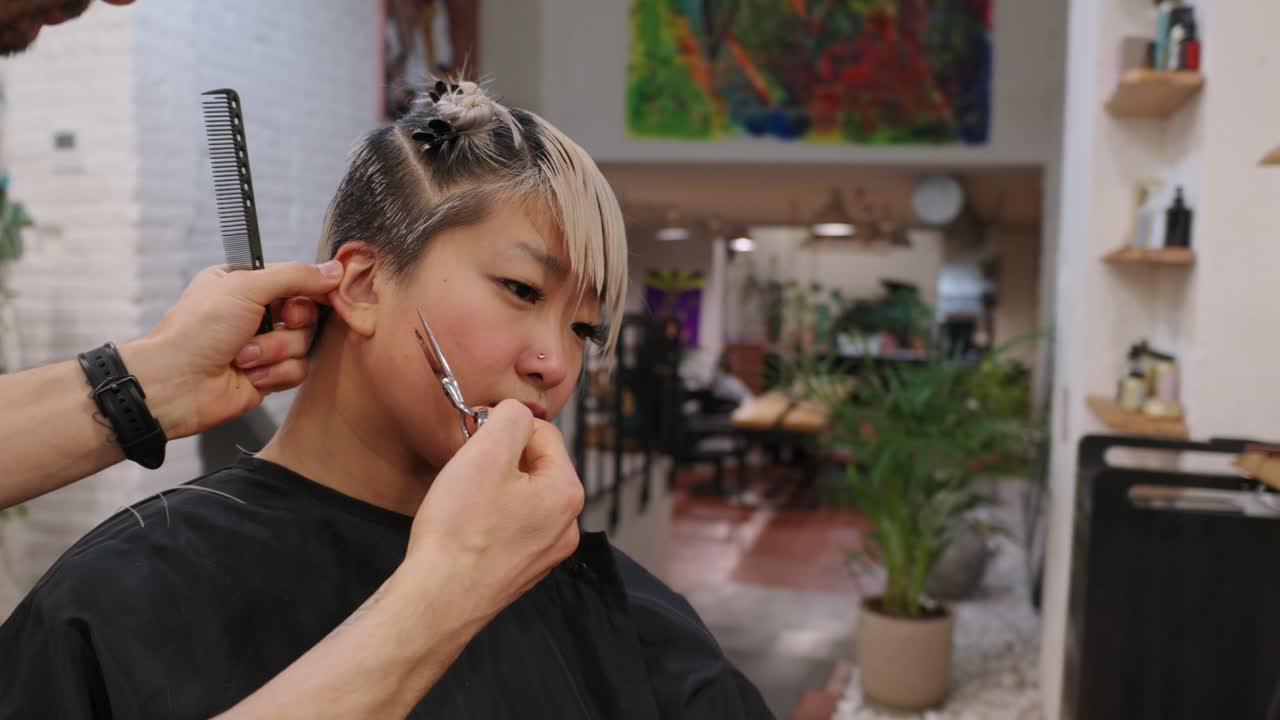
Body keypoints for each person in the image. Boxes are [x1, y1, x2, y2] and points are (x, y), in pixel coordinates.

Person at [0, 78, 772, 719]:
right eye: (519, 288)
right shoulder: (122, 603)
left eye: (582, 326)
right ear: (365, 283)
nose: (554, 361)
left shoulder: (622, 618)